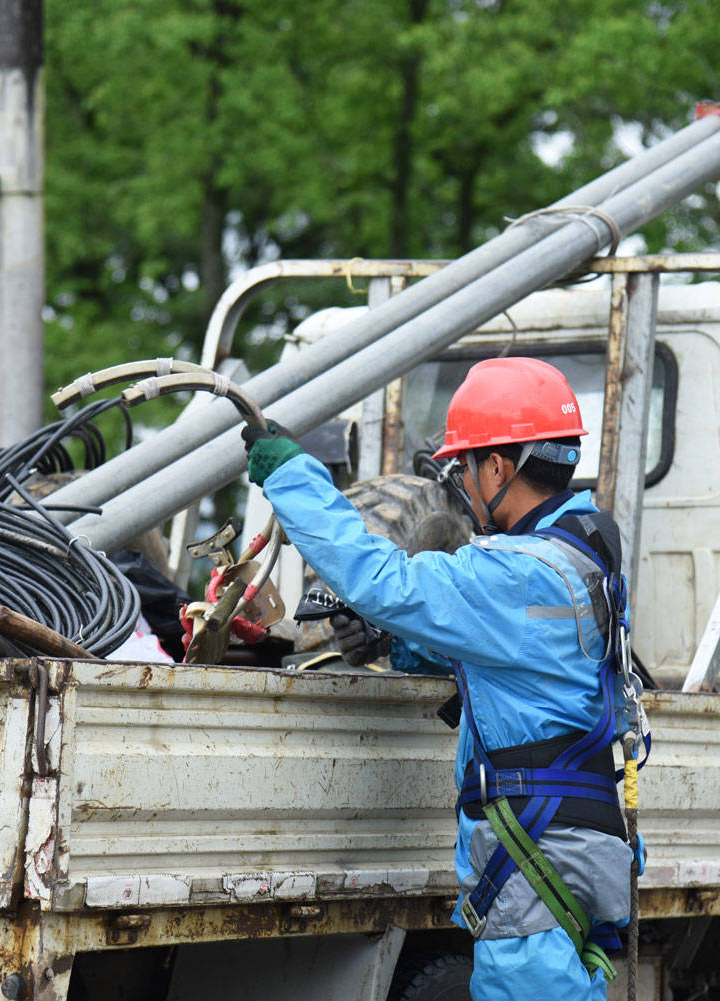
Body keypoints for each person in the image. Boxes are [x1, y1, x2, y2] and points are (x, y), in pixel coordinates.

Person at [242, 357, 643, 1000]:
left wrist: (291, 477)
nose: (458, 479)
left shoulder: (517, 572)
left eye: (463, 465)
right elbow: (517, 660)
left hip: (534, 849)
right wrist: (397, 645)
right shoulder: (579, 559)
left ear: (499, 466)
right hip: (569, 839)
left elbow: (381, 579)